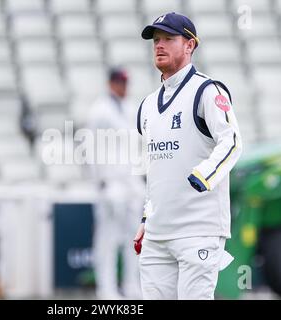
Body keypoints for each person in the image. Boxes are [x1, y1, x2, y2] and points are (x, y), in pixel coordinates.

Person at [133, 12, 243, 300]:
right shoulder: (146, 106)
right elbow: (157, 169)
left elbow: (232, 141)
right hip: (157, 235)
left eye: (169, 38)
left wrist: (204, 176)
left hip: (198, 230)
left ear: (190, 45)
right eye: (156, 40)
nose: (159, 45)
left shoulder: (208, 91)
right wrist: (147, 218)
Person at [87, 68, 144, 299]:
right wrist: (100, 181)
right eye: (120, 82)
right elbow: (90, 147)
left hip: (131, 181)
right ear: (111, 83)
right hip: (111, 182)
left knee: (135, 237)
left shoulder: (130, 108)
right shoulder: (99, 111)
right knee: (108, 238)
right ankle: (106, 289)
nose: (124, 87)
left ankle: (132, 285)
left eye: (126, 83)